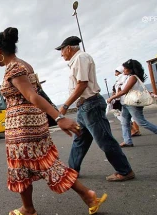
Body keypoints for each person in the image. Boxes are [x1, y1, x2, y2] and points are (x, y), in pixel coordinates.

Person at [0, 27, 107, 215]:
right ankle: (86, 196)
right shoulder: (25, 65)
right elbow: (36, 93)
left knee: (22, 166)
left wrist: (59, 117)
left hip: (22, 127)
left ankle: (29, 209)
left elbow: (32, 96)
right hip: (34, 123)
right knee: (45, 163)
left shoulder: (14, 69)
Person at [55, 36, 135, 181]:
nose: (61, 54)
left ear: (68, 48)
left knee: (105, 140)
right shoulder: (76, 61)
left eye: (61, 50)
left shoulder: (81, 58)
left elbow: (82, 84)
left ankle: (125, 171)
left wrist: (65, 106)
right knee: (79, 139)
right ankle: (72, 170)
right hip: (84, 107)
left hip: (91, 104)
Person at [107, 59, 157, 146]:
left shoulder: (133, 77)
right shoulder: (128, 77)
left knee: (141, 122)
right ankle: (127, 141)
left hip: (133, 103)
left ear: (130, 69)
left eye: (125, 68)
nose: (123, 70)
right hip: (125, 103)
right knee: (124, 122)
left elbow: (124, 91)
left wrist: (112, 98)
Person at [113, 67, 141, 136]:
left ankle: (134, 131)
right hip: (128, 100)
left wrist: (112, 97)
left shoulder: (122, 79)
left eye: (116, 72)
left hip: (123, 100)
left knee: (120, 116)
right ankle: (134, 132)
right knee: (131, 117)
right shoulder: (127, 78)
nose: (115, 74)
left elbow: (122, 91)